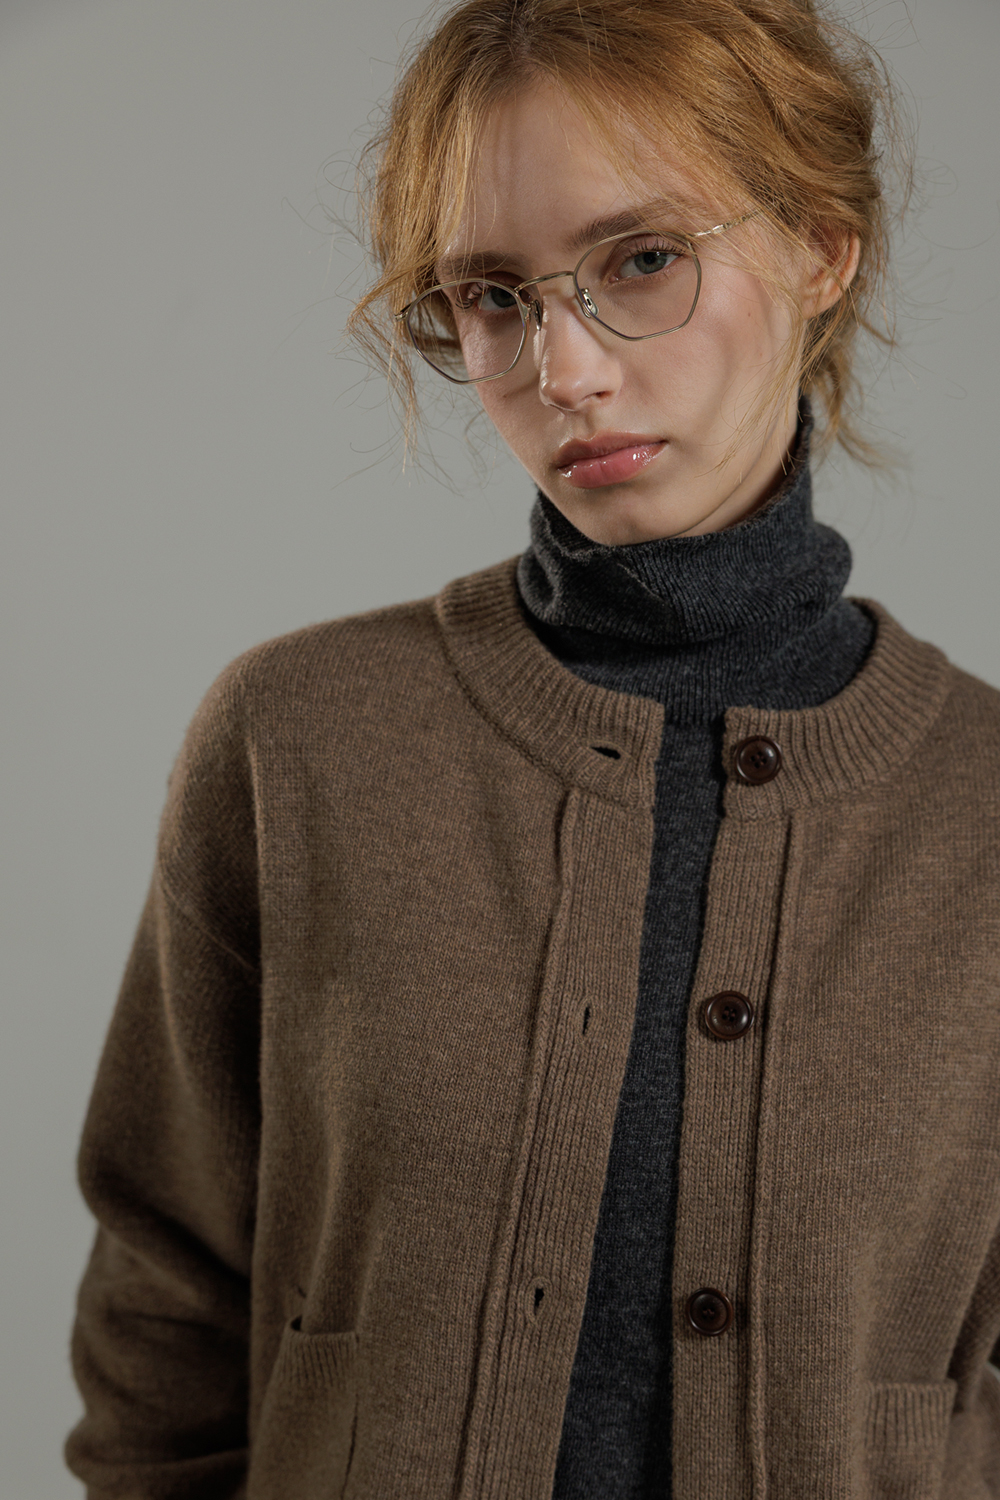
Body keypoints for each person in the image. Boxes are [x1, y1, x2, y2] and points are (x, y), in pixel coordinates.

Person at [65, 1, 1000, 1496]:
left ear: (824, 249)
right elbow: (166, 1305)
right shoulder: (303, 741)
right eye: (494, 297)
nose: (563, 369)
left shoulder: (982, 806)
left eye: (643, 259)